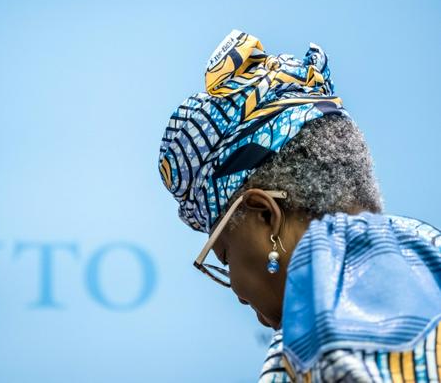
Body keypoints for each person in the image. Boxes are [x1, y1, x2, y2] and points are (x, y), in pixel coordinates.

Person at [157, 29, 441, 382]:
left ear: (266, 216)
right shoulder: (426, 252)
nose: (239, 295)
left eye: (225, 257)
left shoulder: (315, 342)